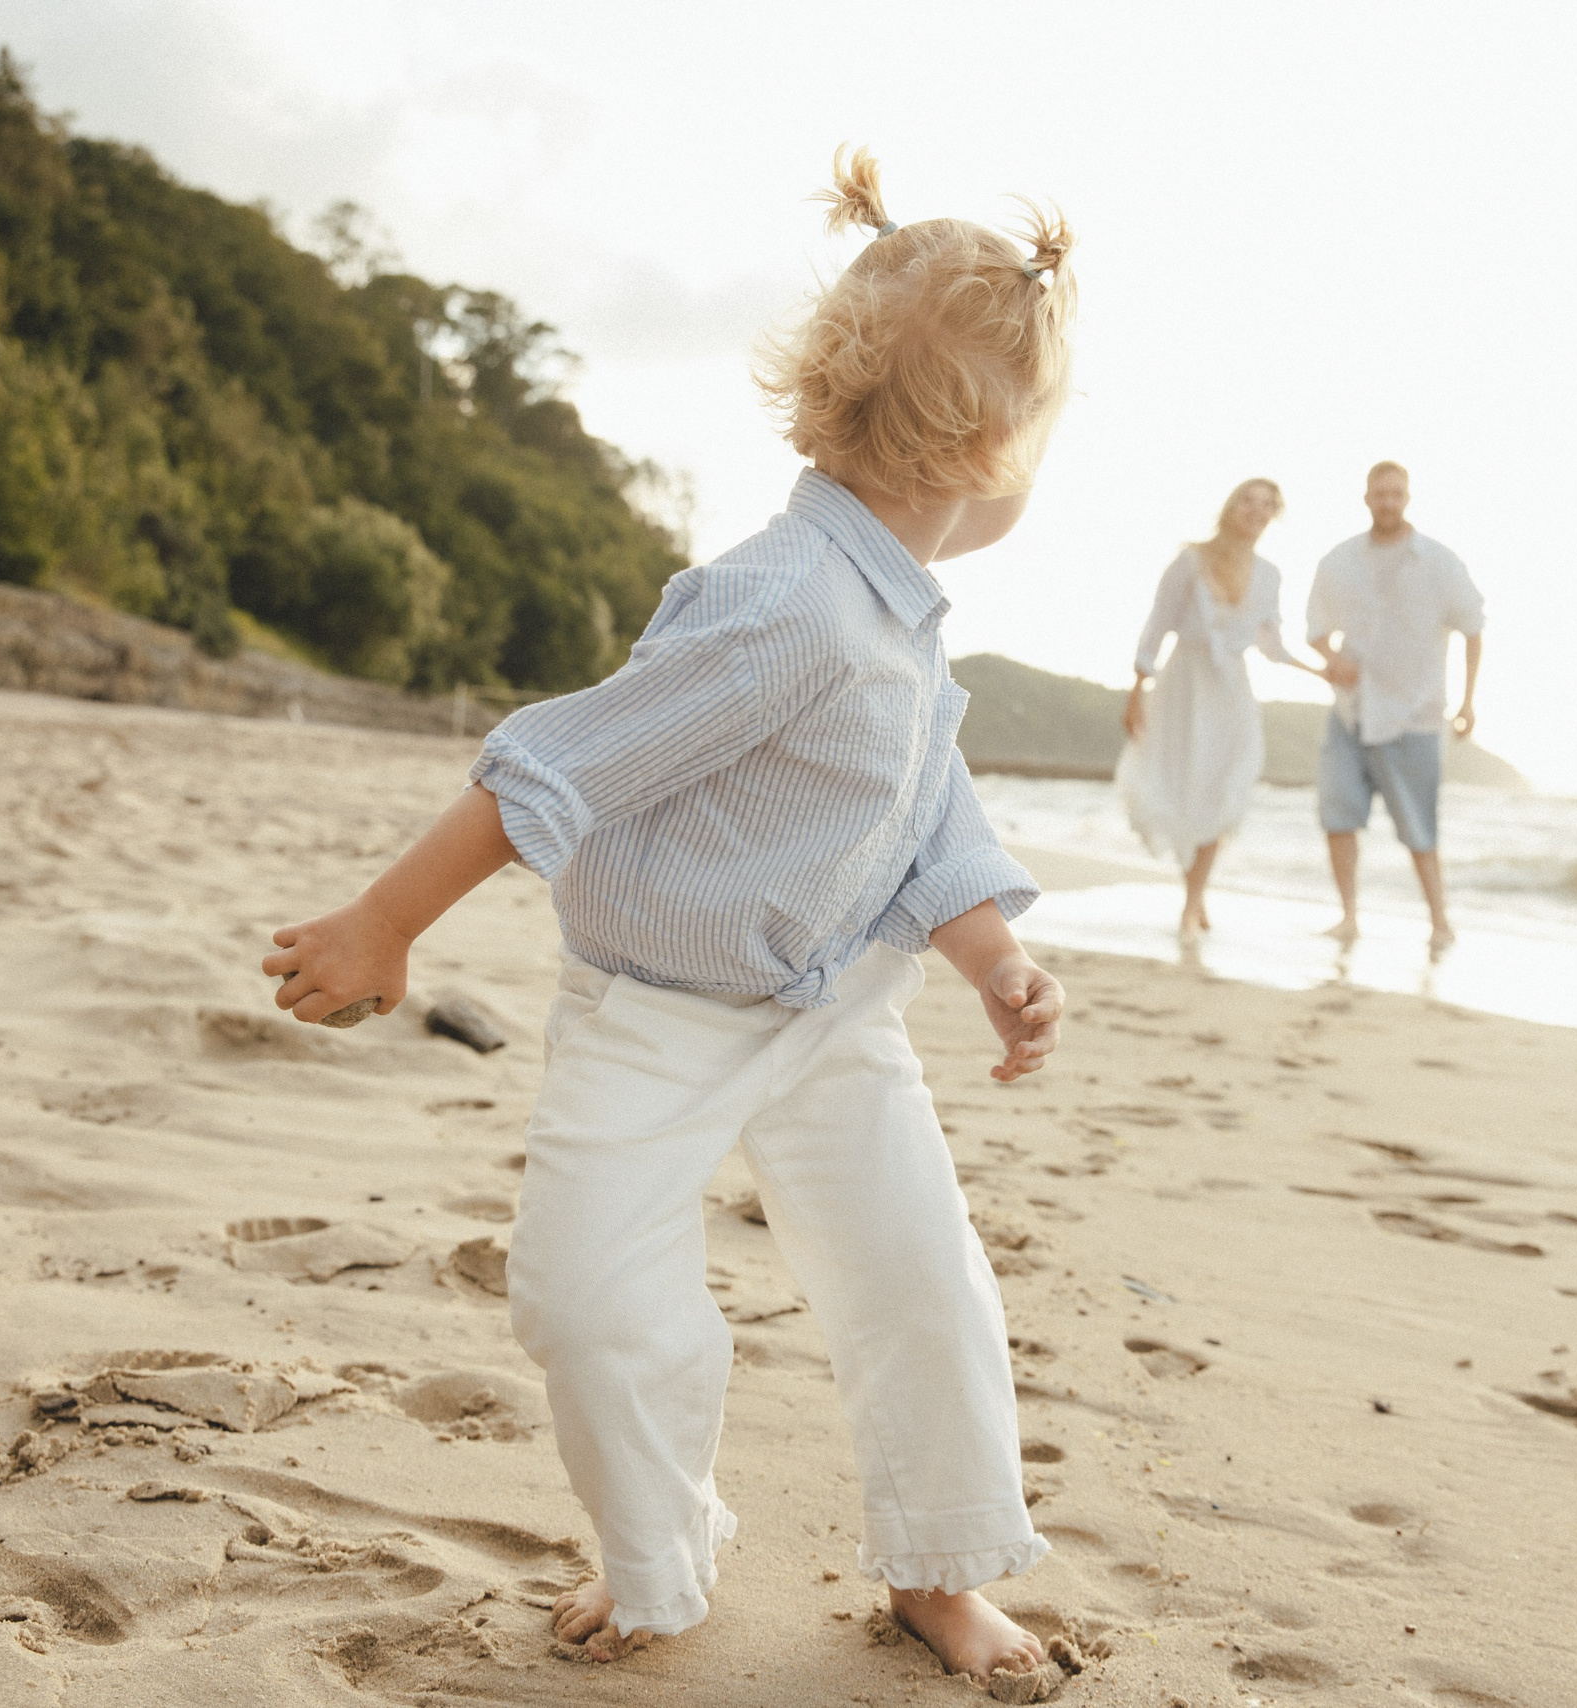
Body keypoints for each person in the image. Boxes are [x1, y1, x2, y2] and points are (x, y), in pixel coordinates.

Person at [260, 147, 1071, 1687]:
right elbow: (555, 764)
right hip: (658, 1016)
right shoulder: (785, 608)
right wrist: (386, 918)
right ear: (986, 447)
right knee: (584, 1296)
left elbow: (924, 818)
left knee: (920, 1281)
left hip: (834, 1010)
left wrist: (993, 956)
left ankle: (942, 1569)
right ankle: (660, 1554)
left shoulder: (896, 624)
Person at [1117, 479, 1320, 936]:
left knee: (1226, 783)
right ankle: (1193, 895)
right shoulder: (1191, 560)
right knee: (1184, 785)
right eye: (1249, 500)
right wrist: (1137, 691)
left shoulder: (1269, 574)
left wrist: (1321, 673)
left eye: (1268, 505)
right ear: (1231, 507)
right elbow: (1159, 623)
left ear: (1274, 516)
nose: (1257, 510)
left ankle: (1193, 899)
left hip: (1232, 690)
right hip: (1184, 686)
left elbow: (1271, 643)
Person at [1307, 460, 1485, 952]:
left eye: (1396, 494)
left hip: (1416, 715)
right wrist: (1331, 657)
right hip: (1350, 712)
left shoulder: (1440, 562)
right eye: (1379, 493)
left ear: (1408, 498)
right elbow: (1316, 628)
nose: (1387, 501)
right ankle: (1348, 918)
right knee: (1338, 816)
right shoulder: (1339, 561)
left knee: (1420, 826)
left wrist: (1469, 702)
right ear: (1366, 498)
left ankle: (1440, 923)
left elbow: (1473, 628)